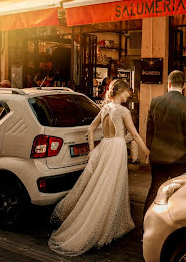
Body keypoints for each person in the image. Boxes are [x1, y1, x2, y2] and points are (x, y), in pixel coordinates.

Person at [49, 79, 150, 257]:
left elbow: (90, 129)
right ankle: (105, 227)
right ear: (120, 92)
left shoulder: (105, 108)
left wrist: (91, 151)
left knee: (102, 186)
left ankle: (111, 224)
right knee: (112, 186)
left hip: (105, 147)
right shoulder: (123, 110)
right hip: (116, 150)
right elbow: (134, 134)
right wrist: (146, 151)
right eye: (127, 92)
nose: (129, 95)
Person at [143, 70, 186, 216]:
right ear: (184, 86)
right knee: (180, 192)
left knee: (155, 189)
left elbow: (149, 129)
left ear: (169, 84)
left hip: (158, 155)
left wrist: (150, 150)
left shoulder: (156, 101)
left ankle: (145, 227)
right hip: (179, 158)